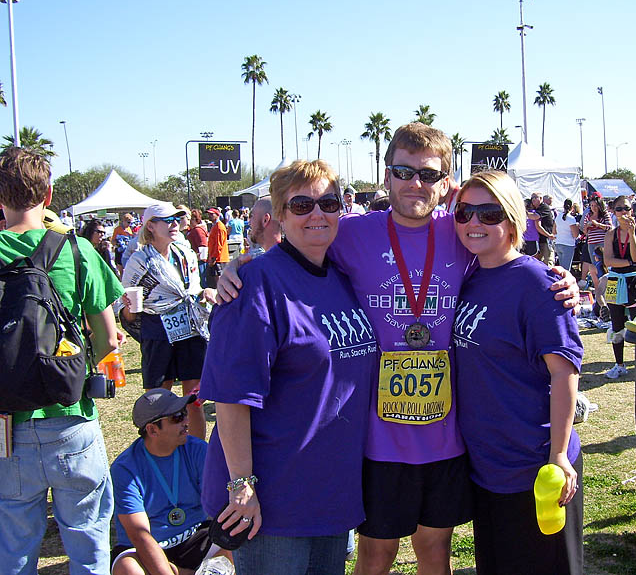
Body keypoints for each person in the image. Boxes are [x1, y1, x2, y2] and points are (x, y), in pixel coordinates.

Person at [215, 122, 580, 575]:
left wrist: (559, 277)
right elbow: (297, 243)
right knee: (376, 554)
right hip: (377, 437)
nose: (415, 184)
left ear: (445, 184)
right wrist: (239, 264)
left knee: (435, 550)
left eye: (428, 175)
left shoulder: (463, 232)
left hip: (446, 432)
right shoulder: (349, 232)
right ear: (386, 177)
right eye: (403, 172)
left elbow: (506, 260)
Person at [200, 160, 377, 574]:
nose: (317, 214)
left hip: (331, 493)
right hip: (273, 500)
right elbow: (230, 396)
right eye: (301, 205)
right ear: (277, 214)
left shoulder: (345, 277)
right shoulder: (253, 286)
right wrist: (241, 484)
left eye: (328, 203)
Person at [452, 170, 583, 574]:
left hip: (535, 466)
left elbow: (565, 373)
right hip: (488, 465)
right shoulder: (468, 275)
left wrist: (558, 455)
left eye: (489, 213)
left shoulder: (538, 283)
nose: (475, 223)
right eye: (465, 212)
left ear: (512, 220)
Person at [0, 147, 122, 574]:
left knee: (13, 548)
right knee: (88, 542)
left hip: (7, 426)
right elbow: (109, 338)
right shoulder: (77, 251)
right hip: (70, 417)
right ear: (49, 194)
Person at [110, 389, 232, 575]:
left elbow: (224, 505)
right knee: (127, 569)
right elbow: (139, 535)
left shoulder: (197, 450)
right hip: (150, 546)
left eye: (184, 413)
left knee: (238, 548)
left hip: (197, 537)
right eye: (176, 418)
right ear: (152, 429)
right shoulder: (125, 468)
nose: (186, 421)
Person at [120, 204, 215, 440]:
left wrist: (205, 293)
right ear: (150, 226)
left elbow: (194, 289)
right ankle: (161, 452)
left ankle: (196, 451)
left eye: (176, 218)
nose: (174, 223)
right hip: (158, 330)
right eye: (167, 219)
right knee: (157, 400)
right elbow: (126, 309)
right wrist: (130, 309)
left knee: (194, 398)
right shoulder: (139, 260)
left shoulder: (185, 254)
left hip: (190, 328)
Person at [603, 196, 636, 379]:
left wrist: (631, 235)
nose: (624, 213)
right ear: (614, 213)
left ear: (633, 211)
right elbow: (608, 261)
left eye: (627, 209)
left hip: (634, 279)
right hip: (615, 280)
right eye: (619, 209)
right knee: (617, 325)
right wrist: (629, 261)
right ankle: (619, 364)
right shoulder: (610, 234)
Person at [579, 194, 612, 289]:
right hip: (591, 242)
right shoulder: (588, 216)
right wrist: (587, 227)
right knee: (595, 264)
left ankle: (606, 282)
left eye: (595, 205)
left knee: (604, 262)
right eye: (592, 206)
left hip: (602, 242)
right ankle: (597, 284)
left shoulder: (605, 215)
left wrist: (598, 224)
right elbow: (584, 232)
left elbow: (610, 227)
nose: (594, 208)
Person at [553, 198, 579, 271]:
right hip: (568, 244)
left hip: (558, 243)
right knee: (566, 269)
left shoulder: (558, 217)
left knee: (561, 267)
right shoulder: (571, 219)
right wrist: (577, 226)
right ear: (572, 207)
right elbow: (575, 235)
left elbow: (554, 231)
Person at [206, 207, 229, 289]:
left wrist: (214, 258)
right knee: (216, 279)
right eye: (209, 214)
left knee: (219, 278)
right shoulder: (214, 226)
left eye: (211, 214)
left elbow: (219, 244)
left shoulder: (219, 227)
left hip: (219, 258)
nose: (209, 216)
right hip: (215, 257)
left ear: (217, 215)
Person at [531, 192, 555, 266]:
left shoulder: (544, 207)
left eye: (535, 197)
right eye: (532, 198)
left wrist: (548, 235)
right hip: (538, 239)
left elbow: (535, 218)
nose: (533, 199)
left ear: (541, 198)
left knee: (548, 260)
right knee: (539, 262)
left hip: (546, 239)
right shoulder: (536, 209)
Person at [186, 209, 209, 286]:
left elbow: (203, 245)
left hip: (200, 261)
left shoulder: (198, 230)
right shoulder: (192, 230)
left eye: (190, 219)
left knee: (201, 282)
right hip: (194, 259)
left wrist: (201, 258)